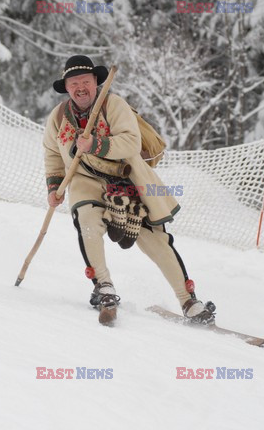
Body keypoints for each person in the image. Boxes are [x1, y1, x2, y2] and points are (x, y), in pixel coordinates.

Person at [44, 55, 215, 325]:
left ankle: (189, 300)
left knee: (155, 241)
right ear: (66, 87)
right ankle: (104, 287)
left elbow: (131, 143)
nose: (80, 88)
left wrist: (96, 145)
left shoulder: (113, 105)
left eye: (85, 82)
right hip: (85, 182)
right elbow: (53, 154)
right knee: (87, 221)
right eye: (74, 83)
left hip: (127, 180)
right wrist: (54, 186)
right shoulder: (57, 117)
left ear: (95, 82)